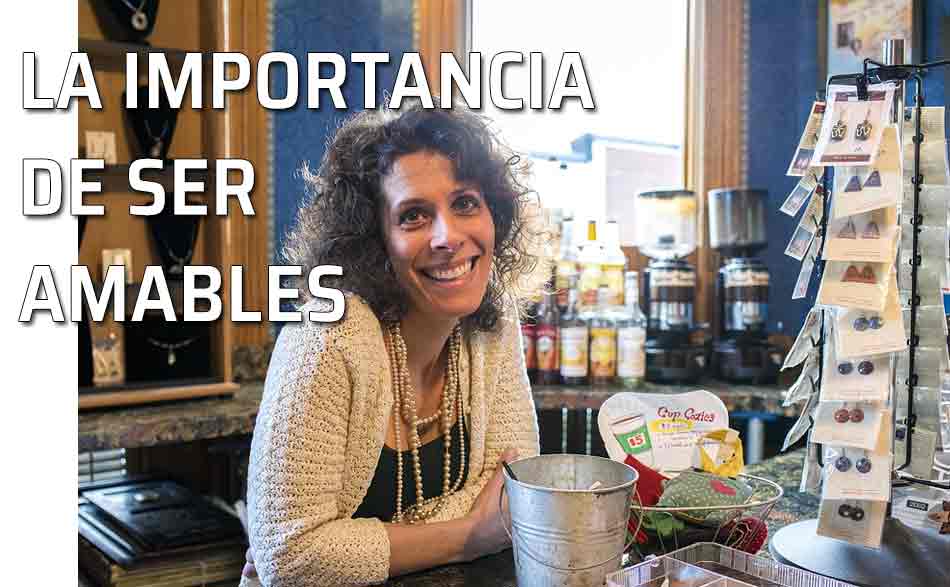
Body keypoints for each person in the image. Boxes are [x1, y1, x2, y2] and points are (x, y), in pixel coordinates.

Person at [240, 103, 545, 587]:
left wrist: (347, 547)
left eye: (465, 203)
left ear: (496, 217)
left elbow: (514, 499)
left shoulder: (492, 324)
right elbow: (293, 558)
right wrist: (470, 533)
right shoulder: (325, 338)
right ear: (375, 241)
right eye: (415, 215)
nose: (448, 237)